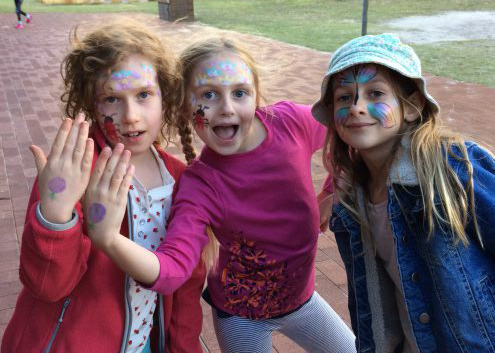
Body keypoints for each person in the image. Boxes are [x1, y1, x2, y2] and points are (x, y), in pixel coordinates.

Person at [85, 37, 357, 353]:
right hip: (242, 318)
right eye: (209, 95)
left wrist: (332, 193)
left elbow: (348, 132)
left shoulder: (290, 123)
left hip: (303, 301)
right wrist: (108, 239)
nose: (227, 108)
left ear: (256, 96)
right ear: (185, 106)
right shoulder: (199, 185)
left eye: (239, 93)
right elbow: (172, 271)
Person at [1, 20, 206, 353]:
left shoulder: (181, 181)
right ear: (91, 106)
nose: (130, 115)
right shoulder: (71, 173)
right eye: (111, 99)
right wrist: (55, 216)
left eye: (143, 95)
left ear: (165, 97)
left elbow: (185, 286)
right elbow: (47, 286)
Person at [311, 33, 495, 352]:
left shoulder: (453, 168)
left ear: (411, 107)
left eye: (375, 93)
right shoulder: (350, 205)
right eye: (344, 97)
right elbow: (368, 303)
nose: (356, 108)